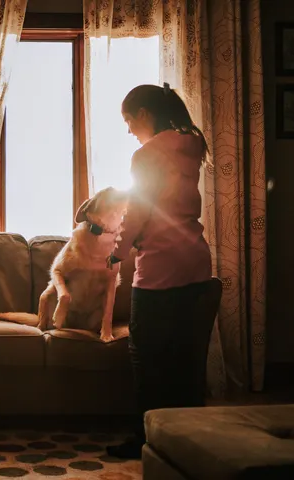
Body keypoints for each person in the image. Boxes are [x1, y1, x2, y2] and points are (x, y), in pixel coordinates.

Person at [105, 83, 214, 459]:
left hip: (160, 267)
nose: (129, 130)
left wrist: (118, 252)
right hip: (196, 263)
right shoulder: (192, 144)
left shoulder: (146, 155)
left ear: (144, 114)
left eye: (128, 120)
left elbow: (138, 210)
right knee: (184, 356)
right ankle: (188, 436)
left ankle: (147, 437)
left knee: (147, 356)